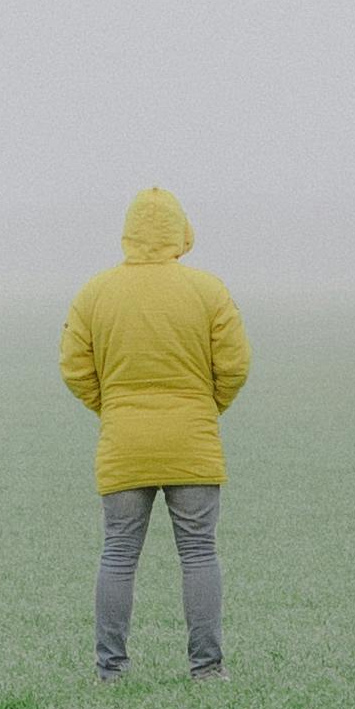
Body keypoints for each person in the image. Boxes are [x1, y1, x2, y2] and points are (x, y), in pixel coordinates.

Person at [59, 186, 249, 680]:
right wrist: (206, 407)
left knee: (118, 554)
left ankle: (111, 669)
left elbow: (74, 368)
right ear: (179, 232)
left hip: (124, 443)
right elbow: (235, 365)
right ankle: (207, 669)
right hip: (193, 441)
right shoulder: (208, 290)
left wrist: (112, 407)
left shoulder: (95, 292)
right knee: (199, 554)